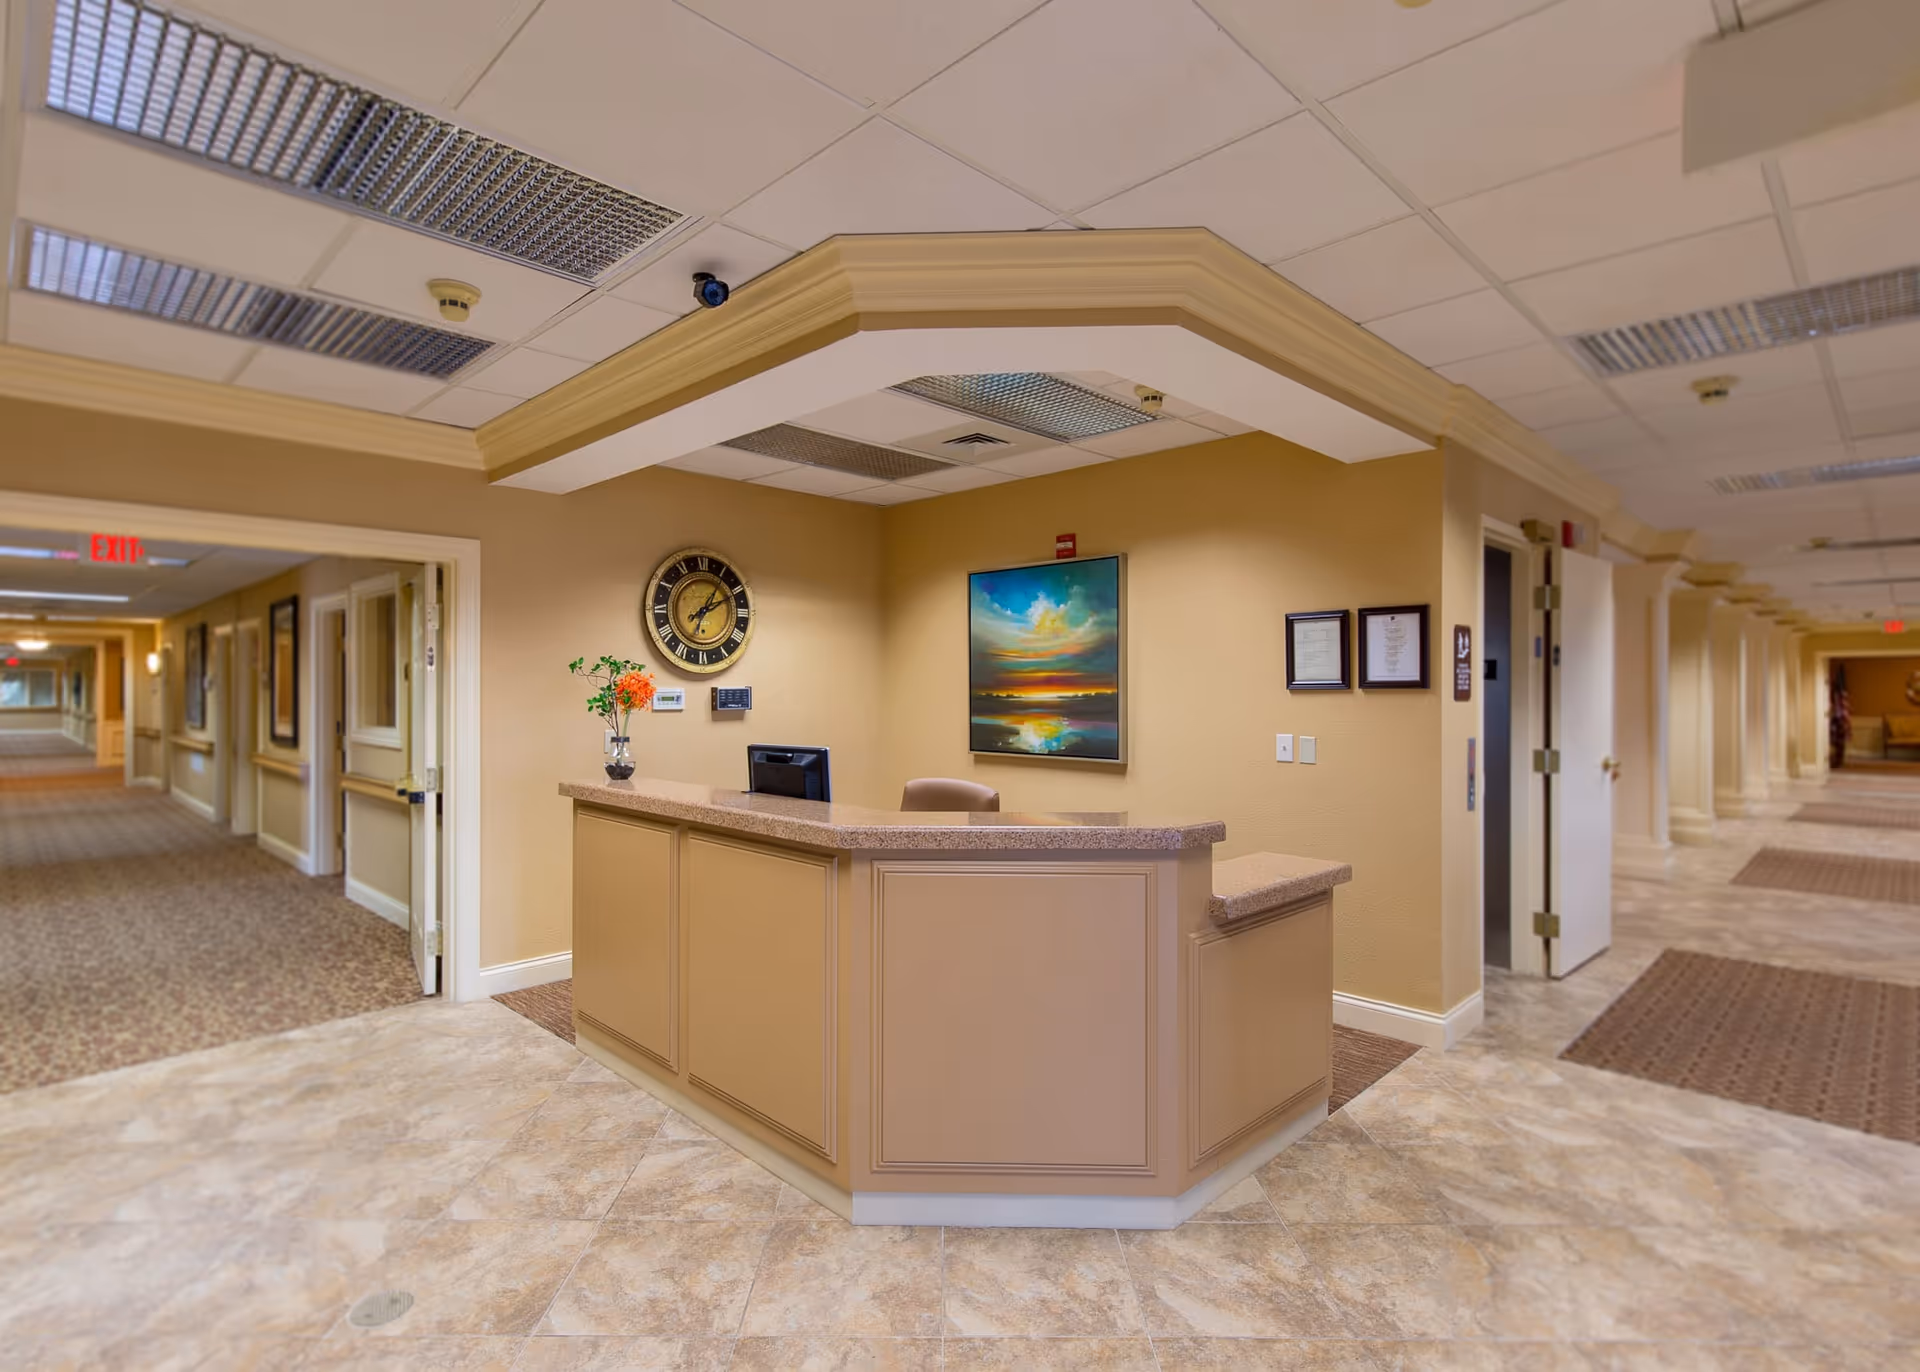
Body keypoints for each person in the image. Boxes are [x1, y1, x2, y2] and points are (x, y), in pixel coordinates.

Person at [1829, 663, 1851, 770]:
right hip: (1837, 721)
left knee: (1840, 743)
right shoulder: (1837, 697)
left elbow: (1841, 708)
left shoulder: (1841, 698)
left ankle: (1839, 759)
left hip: (1840, 721)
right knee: (1837, 742)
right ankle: (1837, 759)